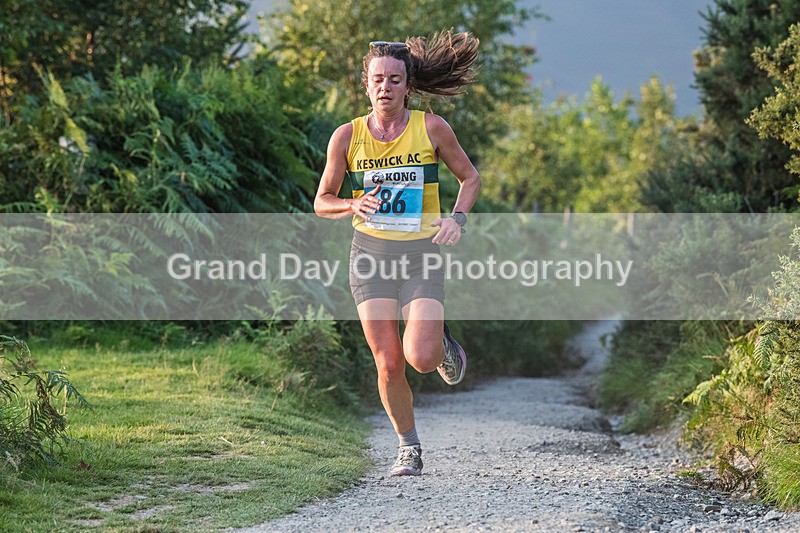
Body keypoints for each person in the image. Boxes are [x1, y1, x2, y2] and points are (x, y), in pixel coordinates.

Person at [313, 30, 481, 477]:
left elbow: (470, 179)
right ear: (365, 84)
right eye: (377, 79)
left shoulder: (432, 128)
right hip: (369, 254)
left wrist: (456, 219)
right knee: (388, 363)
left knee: (421, 359)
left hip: (421, 252)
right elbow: (321, 200)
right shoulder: (346, 136)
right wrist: (351, 203)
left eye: (394, 79)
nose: (385, 87)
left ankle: (442, 344)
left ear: (408, 85)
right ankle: (408, 447)